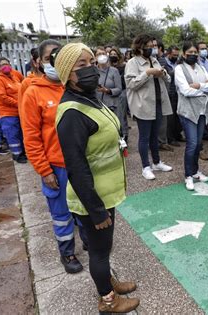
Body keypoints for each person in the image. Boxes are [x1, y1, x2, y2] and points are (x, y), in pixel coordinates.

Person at [54, 43, 139, 313]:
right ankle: (108, 300)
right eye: (81, 64)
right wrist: (97, 210)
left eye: (91, 60)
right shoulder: (72, 113)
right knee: (100, 251)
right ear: (67, 74)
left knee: (103, 247)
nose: (91, 67)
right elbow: (76, 168)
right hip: (93, 198)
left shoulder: (89, 98)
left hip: (105, 192)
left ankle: (108, 283)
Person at [20, 39, 88, 274]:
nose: (54, 62)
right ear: (38, 62)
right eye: (49, 58)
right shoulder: (33, 94)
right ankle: (67, 252)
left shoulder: (75, 87)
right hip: (56, 166)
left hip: (80, 163)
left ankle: (88, 239)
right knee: (61, 214)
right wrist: (44, 170)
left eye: (59, 56)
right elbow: (31, 137)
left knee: (83, 205)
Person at [125, 34, 173, 180]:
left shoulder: (155, 60)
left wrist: (163, 74)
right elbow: (131, 84)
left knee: (155, 135)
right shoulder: (133, 63)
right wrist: (147, 73)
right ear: (140, 47)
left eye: (154, 46)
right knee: (144, 137)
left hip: (158, 103)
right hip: (143, 105)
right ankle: (145, 166)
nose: (153, 49)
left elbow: (168, 80)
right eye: (150, 46)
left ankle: (157, 162)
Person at [174, 41, 208, 190]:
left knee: (198, 144)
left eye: (195, 52)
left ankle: (195, 171)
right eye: (190, 53)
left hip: (201, 110)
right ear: (183, 54)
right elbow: (185, 91)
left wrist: (199, 86)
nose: (193, 55)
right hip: (187, 111)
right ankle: (188, 175)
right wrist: (205, 89)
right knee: (192, 144)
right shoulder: (179, 69)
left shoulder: (200, 67)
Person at [0, 57, 27, 163]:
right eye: (2, 65)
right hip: (8, 113)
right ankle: (17, 155)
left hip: (18, 111)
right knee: (13, 134)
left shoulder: (14, 77)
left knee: (20, 133)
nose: (5, 66)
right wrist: (19, 103)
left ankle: (23, 152)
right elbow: (2, 97)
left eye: (7, 64)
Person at [95, 46, 125, 134]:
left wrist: (108, 90)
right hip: (98, 107)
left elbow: (119, 89)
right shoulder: (92, 71)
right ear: (95, 57)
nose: (101, 56)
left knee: (114, 131)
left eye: (103, 54)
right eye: (98, 54)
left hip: (112, 107)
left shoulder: (114, 71)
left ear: (107, 55)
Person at [164, 45, 184, 146]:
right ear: (168, 54)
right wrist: (176, 70)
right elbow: (166, 75)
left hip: (178, 92)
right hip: (169, 92)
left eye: (177, 55)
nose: (176, 57)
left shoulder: (177, 63)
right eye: (174, 55)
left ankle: (177, 135)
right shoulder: (164, 62)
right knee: (170, 118)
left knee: (178, 116)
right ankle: (170, 138)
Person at [109, 47, 129, 142]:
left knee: (122, 115)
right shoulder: (108, 67)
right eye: (111, 54)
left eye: (114, 54)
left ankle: (124, 135)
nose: (113, 56)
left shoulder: (124, 66)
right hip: (111, 93)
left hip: (122, 92)